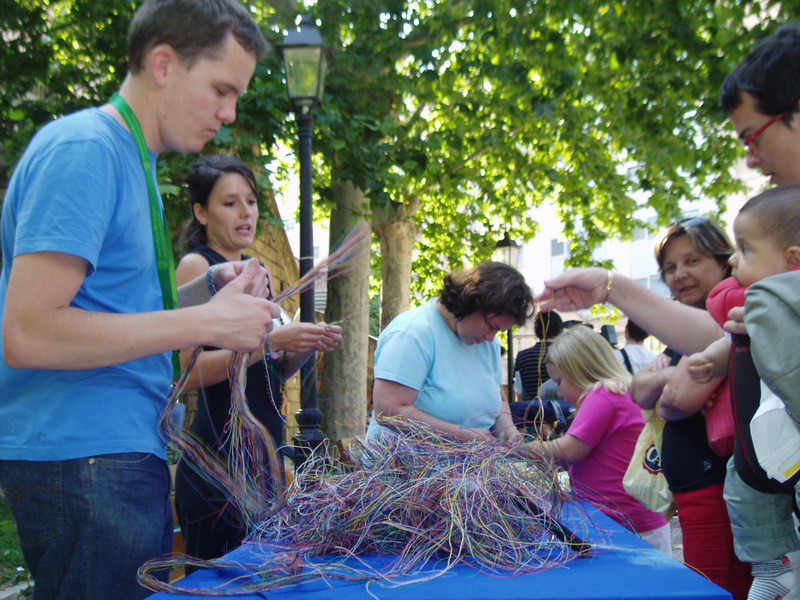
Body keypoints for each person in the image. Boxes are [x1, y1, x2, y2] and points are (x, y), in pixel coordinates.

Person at [0, 2, 278, 599]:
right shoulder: (87, 149)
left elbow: (104, 311)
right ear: (163, 64)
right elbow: (28, 331)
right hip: (91, 460)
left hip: (109, 460)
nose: (229, 115)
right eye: (221, 90)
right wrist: (205, 320)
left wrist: (208, 288)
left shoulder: (129, 158)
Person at [173, 155, 343, 563]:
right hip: (218, 464)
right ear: (201, 212)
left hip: (262, 463)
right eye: (230, 203)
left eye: (250, 201)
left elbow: (266, 375)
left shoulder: (257, 271)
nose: (245, 212)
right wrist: (270, 343)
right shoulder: (199, 266)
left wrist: (301, 347)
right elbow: (188, 374)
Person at [685, 187, 800, 600]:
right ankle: (770, 565)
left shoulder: (776, 301)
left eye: (746, 250)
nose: (734, 260)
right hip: (768, 447)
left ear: (792, 260)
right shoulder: (761, 306)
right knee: (743, 481)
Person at [529, 325, 671, 554]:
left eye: (559, 381)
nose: (559, 392)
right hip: (631, 522)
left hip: (629, 527)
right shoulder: (617, 391)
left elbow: (571, 450)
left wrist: (527, 449)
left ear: (581, 371)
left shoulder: (604, 393)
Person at [366, 261, 534, 443]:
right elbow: (389, 410)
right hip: (407, 464)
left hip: (466, 464)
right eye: (492, 326)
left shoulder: (487, 343)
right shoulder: (412, 332)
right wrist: (459, 434)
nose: (492, 337)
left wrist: (507, 431)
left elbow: (498, 400)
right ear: (471, 302)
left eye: (499, 331)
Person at [514, 310, 564, 401]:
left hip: (532, 410)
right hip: (562, 410)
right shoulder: (565, 354)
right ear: (559, 329)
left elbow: (519, 391)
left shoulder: (522, 356)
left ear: (536, 330)